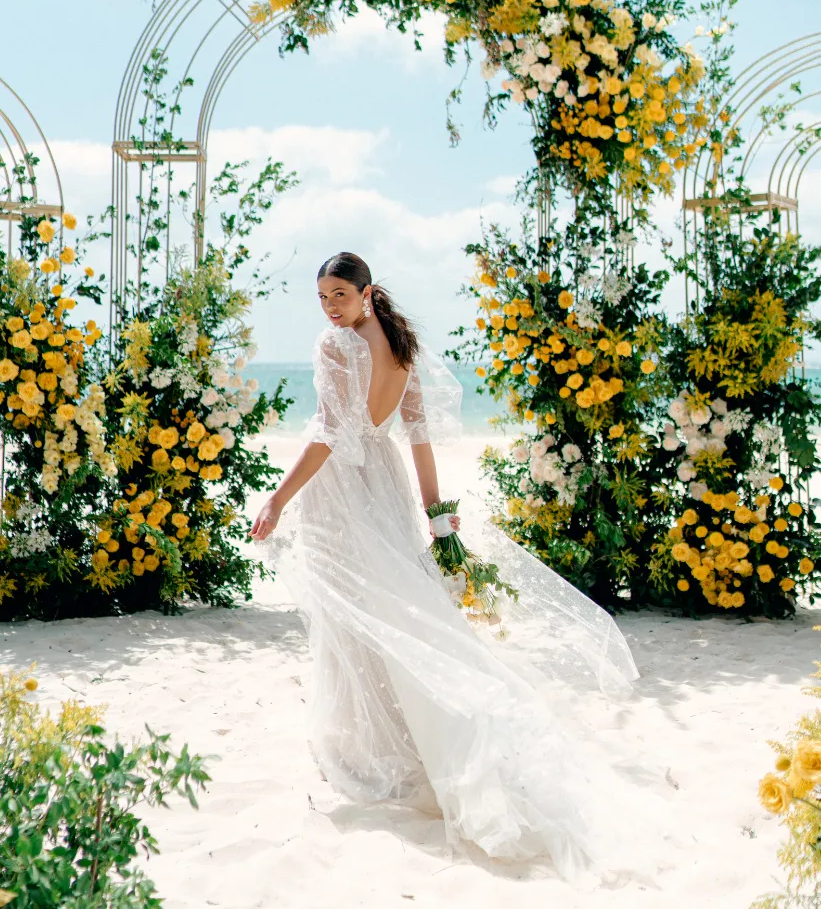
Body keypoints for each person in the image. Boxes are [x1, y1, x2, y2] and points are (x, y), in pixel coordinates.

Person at [250, 252, 668, 885]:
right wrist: (435, 518)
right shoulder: (398, 344)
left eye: (340, 294)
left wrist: (279, 499)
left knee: (366, 615)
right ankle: (383, 744)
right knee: (390, 612)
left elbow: (332, 433)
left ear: (368, 292)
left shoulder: (337, 346)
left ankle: (374, 753)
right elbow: (412, 438)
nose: (330, 308)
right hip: (383, 486)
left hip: (343, 492)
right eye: (323, 299)